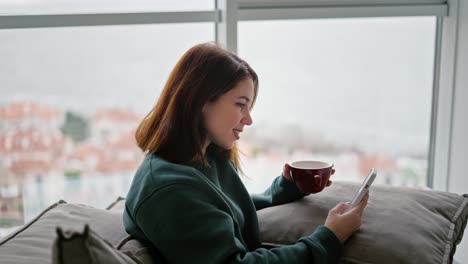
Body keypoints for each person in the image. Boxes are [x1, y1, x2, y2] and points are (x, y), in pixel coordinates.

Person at [123, 42, 369, 264]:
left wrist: (285, 189)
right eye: (240, 104)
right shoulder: (169, 190)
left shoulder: (205, 157)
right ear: (199, 101)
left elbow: (220, 213)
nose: (248, 119)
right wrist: (329, 237)